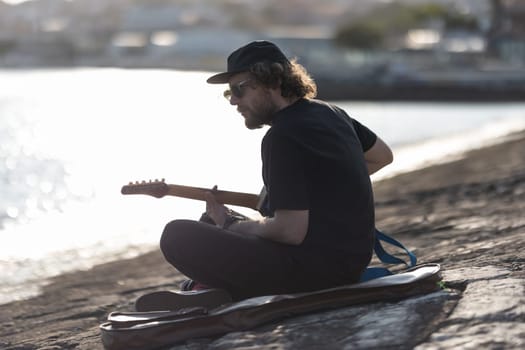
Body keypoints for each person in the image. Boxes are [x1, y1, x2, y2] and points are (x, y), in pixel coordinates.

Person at [157, 40, 393, 303]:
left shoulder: (281, 136)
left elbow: (289, 231)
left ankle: (219, 289)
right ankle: (211, 285)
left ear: (272, 80)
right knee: (210, 220)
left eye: (240, 89)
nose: (234, 100)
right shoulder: (333, 113)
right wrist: (331, 187)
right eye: (229, 93)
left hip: (315, 273)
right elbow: (382, 156)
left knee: (177, 235)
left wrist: (233, 226)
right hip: (349, 262)